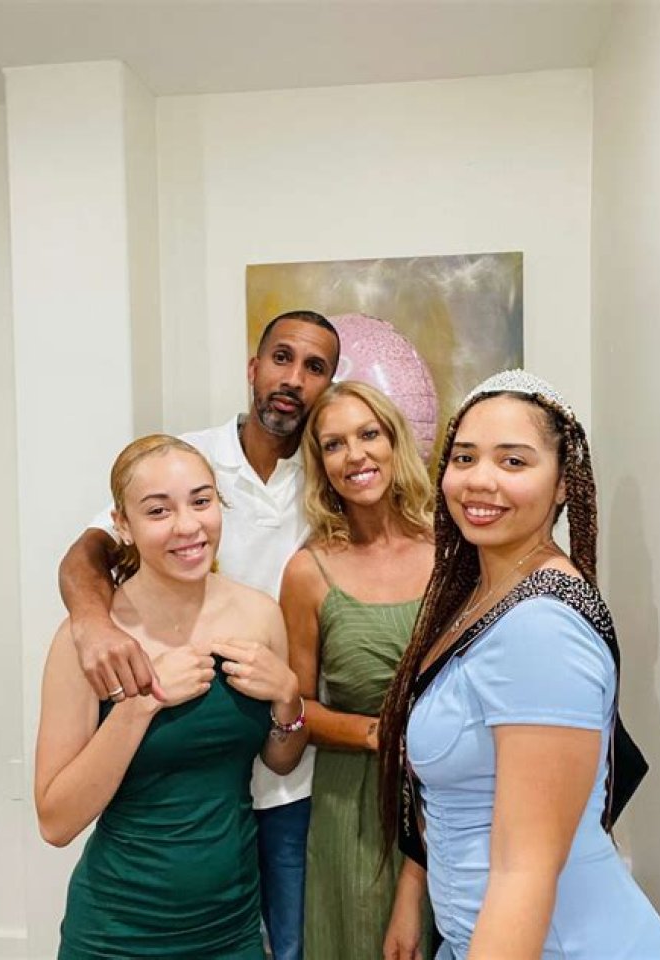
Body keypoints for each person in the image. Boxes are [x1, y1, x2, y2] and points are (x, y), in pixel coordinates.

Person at [57, 311, 340, 960]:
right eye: (282, 358)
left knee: (290, 945)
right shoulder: (188, 461)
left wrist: (289, 699)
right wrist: (93, 626)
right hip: (180, 749)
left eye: (314, 367)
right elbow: (87, 552)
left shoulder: (330, 475)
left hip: (279, 772)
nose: (293, 379)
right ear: (254, 368)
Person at [379, 370, 660, 960]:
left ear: (563, 482)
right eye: (464, 457)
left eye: (513, 461)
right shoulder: (484, 596)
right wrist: (413, 893)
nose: (480, 480)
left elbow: (526, 872)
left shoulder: (541, 629)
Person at [36, 435, 308, 959]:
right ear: (123, 525)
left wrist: (288, 700)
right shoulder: (89, 643)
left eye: (201, 501)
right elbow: (56, 821)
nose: (188, 526)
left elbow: (279, 760)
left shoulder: (258, 615)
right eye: (158, 511)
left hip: (231, 929)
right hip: (116, 935)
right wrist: (141, 704)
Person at [280, 381, 434, 960]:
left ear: (394, 442)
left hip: (451, 793)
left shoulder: (452, 549)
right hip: (356, 807)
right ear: (321, 465)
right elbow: (295, 708)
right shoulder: (308, 572)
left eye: (369, 434)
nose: (355, 455)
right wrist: (377, 734)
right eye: (334, 444)